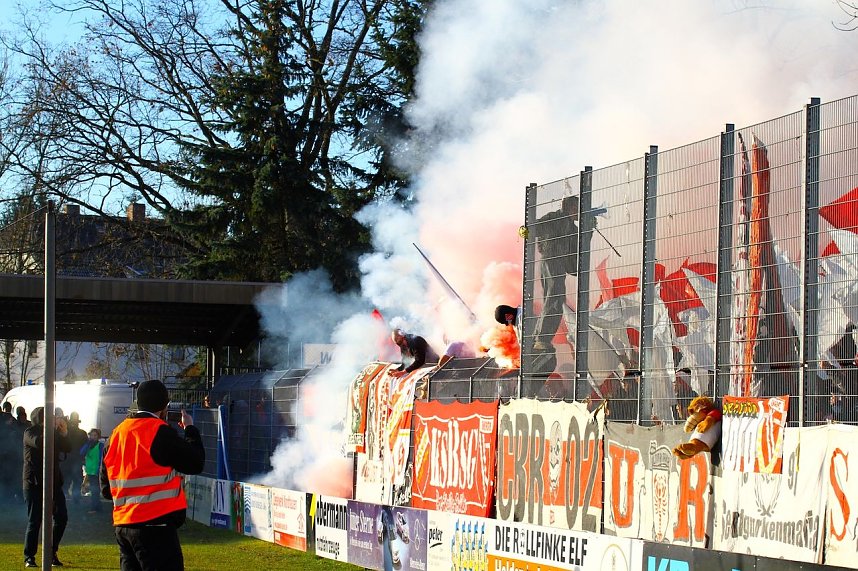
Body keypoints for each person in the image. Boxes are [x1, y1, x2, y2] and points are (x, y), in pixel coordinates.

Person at [100, 379, 204, 571]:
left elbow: (106, 490)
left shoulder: (116, 434)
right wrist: (190, 429)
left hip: (124, 526)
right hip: (156, 526)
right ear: (164, 406)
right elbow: (196, 462)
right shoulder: (159, 431)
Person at [23, 406, 71, 568]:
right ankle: (29, 556)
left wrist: (63, 432)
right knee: (35, 520)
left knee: (61, 517)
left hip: (53, 482)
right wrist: (50, 428)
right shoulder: (30, 432)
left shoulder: (53, 433)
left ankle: (51, 551)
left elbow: (68, 448)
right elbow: (39, 442)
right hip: (34, 483)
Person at [533, 195, 581, 353]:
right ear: (570, 208)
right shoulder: (555, 218)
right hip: (552, 260)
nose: (580, 212)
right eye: (577, 208)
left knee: (553, 300)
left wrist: (589, 231)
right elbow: (536, 228)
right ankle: (542, 338)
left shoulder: (572, 228)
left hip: (557, 263)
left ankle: (539, 338)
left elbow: (579, 248)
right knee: (554, 299)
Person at [61, 411, 88, 504]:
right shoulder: (82, 433)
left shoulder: (65, 433)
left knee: (66, 480)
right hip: (76, 460)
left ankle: (65, 497)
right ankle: (75, 498)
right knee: (76, 480)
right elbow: (86, 447)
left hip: (66, 460)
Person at [79, 429, 105, 513]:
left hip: (96, 471)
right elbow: (82, 452)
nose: (93, 437)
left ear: (98, 437)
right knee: (94, 490)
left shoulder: (100, 446)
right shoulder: (88, 445)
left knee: (95, 490)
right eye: (91, 435)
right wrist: (88, 444)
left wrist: (100, 469)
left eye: (95, 435)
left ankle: (94, 507)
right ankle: (98, 507)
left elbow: (102, 457)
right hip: (89, 471)